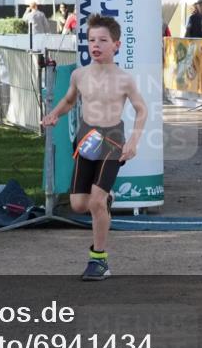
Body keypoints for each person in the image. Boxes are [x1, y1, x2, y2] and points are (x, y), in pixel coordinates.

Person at [40, 14, 147, 282]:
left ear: (116, 45)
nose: (95, 45)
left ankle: (99, 260)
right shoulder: (79, 75)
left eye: (102, 40)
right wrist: (54, 114)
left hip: (112, 139)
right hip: (86, 139)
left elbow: (141, 109)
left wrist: (133, 141)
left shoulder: (124, 79)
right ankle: (105, 201)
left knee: (96, 202)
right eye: (91, 40)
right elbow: (67, 101)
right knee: (78, 205)